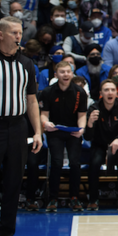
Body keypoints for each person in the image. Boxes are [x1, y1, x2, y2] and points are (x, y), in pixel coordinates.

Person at [0, 17, 43, 236]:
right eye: (13, 33)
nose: (18, 36)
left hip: (19, 127)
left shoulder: (27, 64)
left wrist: (38, 131)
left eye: (20, 32)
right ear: (1, 34)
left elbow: (31, 100)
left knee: (12, 185)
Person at [40, 61, 88, 212]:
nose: (66, 74)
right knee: (56, 162)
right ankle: (53, 198)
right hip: (55, 132)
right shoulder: (47, 92)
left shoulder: (80, 92)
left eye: (68, 71)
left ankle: (74, 198)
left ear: (72, 74)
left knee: (75, 163)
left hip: (73, 132)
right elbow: (43, 115)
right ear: (56, 75)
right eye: (62, 72)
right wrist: (45, 124)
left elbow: (82, 115)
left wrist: (82, 129)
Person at [84, 79, 118, 211]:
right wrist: (90, 123)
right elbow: (87, 136)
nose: (109, 93)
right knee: (94, 163)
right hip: (100, 144)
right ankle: (93, 199)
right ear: (101, 93)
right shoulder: (94, 108)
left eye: (112, 90)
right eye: (106, 90)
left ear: (117, 93)